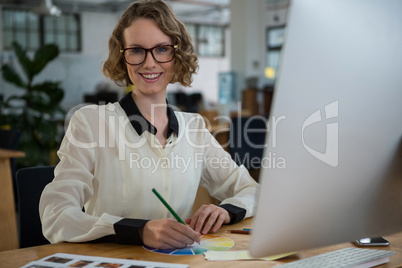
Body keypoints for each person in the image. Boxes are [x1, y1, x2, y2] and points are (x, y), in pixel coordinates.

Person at [39, 0, 259, 250]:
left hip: (177, 261)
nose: (150, 63)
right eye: (136, 50)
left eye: (162, 49)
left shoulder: (194, 129)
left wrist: (226, 211)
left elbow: (252, 190)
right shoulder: (91, 123)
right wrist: (138, 231)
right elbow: (55, 215)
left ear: (177, 56)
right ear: (122, 57)